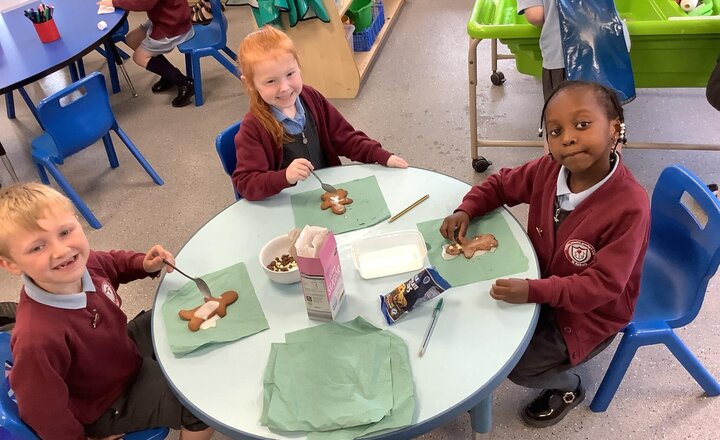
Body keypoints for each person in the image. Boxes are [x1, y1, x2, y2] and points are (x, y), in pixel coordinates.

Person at [440, 81, 650, 428]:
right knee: (476, 312)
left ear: (615, 128)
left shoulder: (631, 205)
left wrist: (534, 291)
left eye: (582, 124)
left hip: (589, 314)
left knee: (518, 367)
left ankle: (570, 388)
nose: (567, 137)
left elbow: (601, 287)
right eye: (555, 131)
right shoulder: (548, 170)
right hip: (543, 284)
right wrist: (468, 209)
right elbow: (501, 184)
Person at [0, 183, 214, 440]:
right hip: (107, 403)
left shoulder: (83, 263)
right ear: (11, 264)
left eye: (65, 232)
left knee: (174, 310)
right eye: (37, 247)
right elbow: (43, 412)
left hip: (120, 351)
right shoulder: (37, 336)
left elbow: (113, 262)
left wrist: (143, 264)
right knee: (199, 408)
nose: (61, 250)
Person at [232, 25, 408, 201]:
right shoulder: (253, 128)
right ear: (250, 84)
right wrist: (284, 176)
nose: (284, 88)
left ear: (298, 67)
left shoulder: (311, 98)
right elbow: (246, 183)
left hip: (325, 194)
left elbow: (345, 138)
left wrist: (380, 155)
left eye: (290, 74)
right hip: (287, 204)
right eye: (271, 81)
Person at [518, 0, 630, 101]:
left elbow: (536, 15)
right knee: (606, 107)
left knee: (568, 112)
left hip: (565, 54)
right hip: (609, 43)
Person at [97, 0, 196, 107]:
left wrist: (115, 2)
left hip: (174, 25)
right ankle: (168, 75)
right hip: (164, 18)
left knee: (139, 57)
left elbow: (144, 3)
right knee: (132, 39)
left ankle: (184, 82)